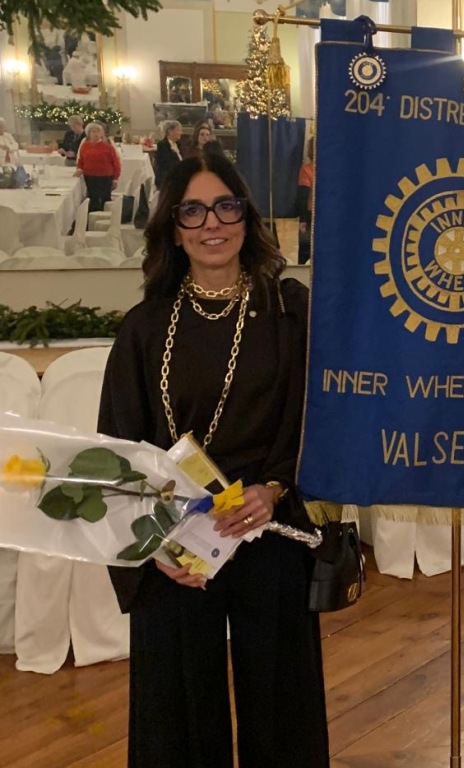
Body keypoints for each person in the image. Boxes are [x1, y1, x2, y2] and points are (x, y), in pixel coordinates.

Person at [97, 153, 329, 768]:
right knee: (175, 706)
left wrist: (273, 488)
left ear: (246, 218)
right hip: (176, 541)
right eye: (192, 212)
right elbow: (118, 446)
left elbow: (314, 417)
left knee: (281, 702)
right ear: (173, 229)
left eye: (226, 207)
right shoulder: (144, 327)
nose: (212, 224)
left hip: (266, 526)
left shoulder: (289, 312)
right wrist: (152, 542)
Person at [74, 122, 120, 212]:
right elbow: (81, 160)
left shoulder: (108, 147)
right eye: (93, 131)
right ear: (89, 134)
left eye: (98, 131)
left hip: (105, 177)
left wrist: (115, 179)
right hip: (90, 176)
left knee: (105, 199)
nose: (96, 134)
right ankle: (92, 217)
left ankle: (106, 216)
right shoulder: (85, 146)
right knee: (92, 199)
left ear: (101, 134)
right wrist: (79, 169)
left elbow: (116, 163)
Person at [296, 137, 315, 264]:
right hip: (328, 213)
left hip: (310, 214)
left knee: (306, 249)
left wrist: (302, 220)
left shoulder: (307, 169)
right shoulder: (332, 171)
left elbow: (303, 196)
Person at [154, 119, 183, 189]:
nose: (181, 133)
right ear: (170, 131)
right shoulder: (162, 145)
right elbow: (165, 165)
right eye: (178, 130)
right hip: (167, 179)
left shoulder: (178, 144)